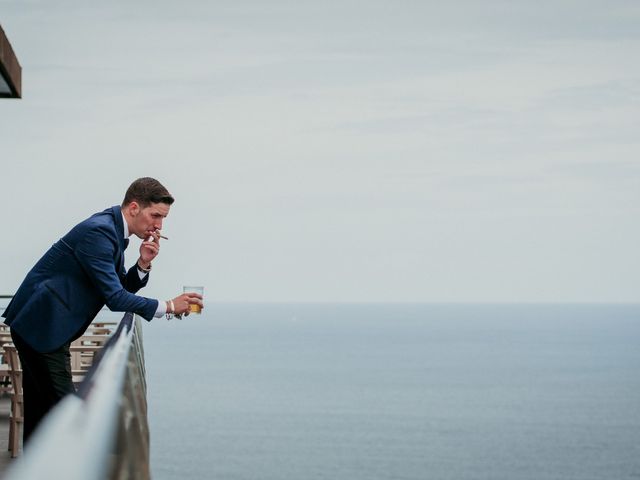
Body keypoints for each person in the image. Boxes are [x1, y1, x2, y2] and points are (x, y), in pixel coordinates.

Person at [1, 177, 203, 444]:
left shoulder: (112, 232)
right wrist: (167, 306)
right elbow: (116, 299)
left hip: (41, 326)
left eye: (163, 218)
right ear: (134, 208)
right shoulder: (100, 232)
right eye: (155, 215)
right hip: (42, 328)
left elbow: (117, 287)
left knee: (43, 415)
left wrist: (142, 264)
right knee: (66, 418)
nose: (159, 225)